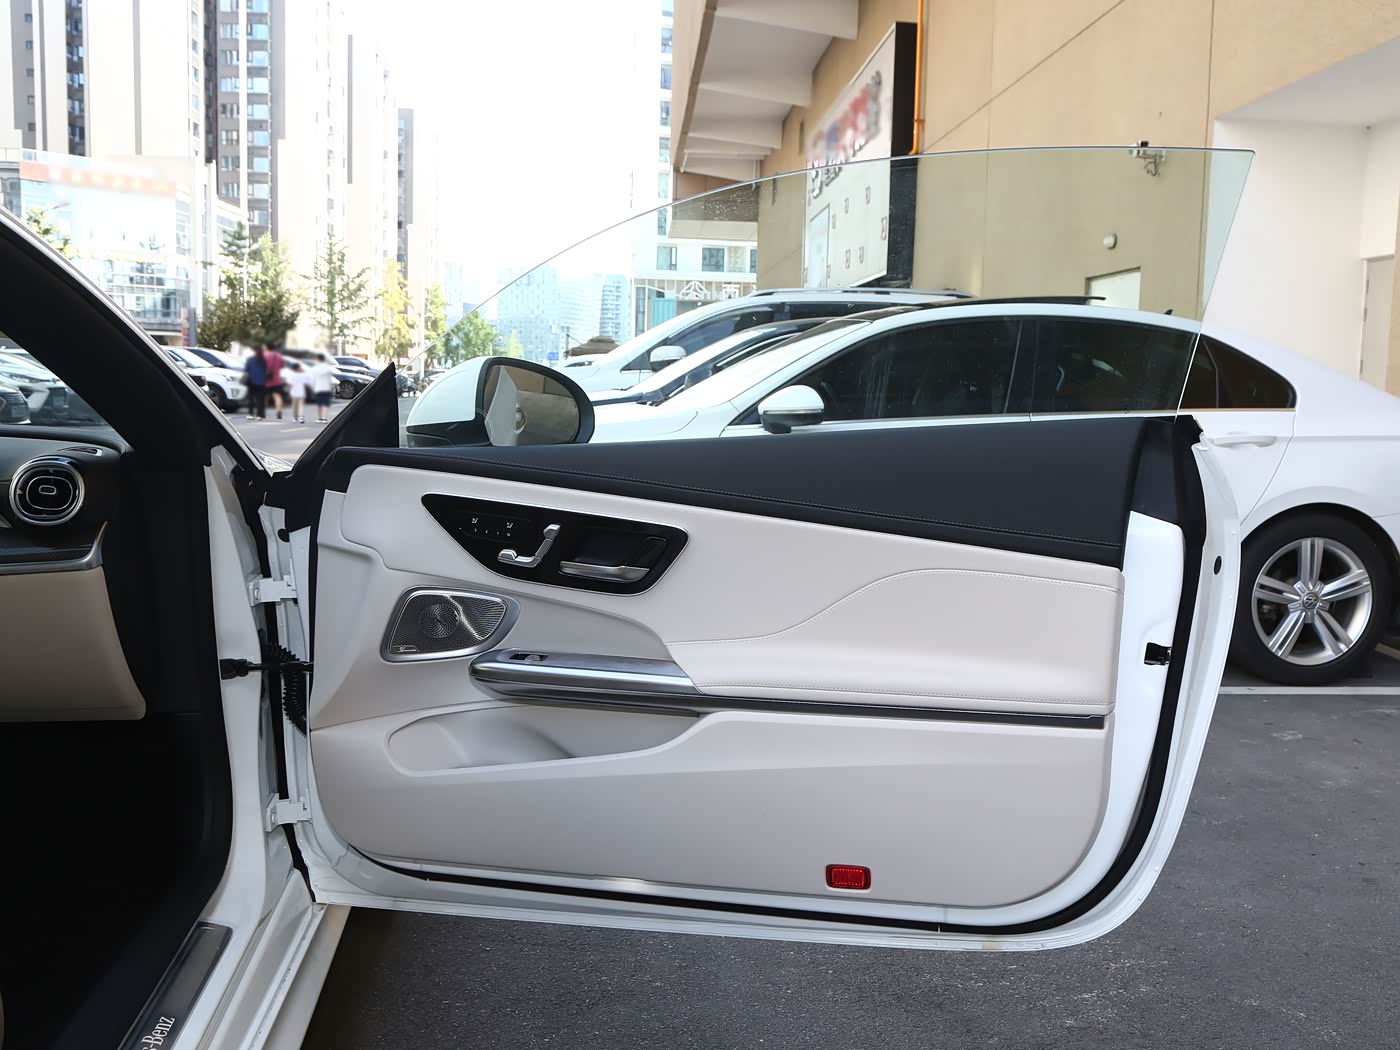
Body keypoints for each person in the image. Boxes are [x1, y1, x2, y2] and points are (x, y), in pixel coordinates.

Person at [308, 351, 335, 423]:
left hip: (318, 388)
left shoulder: (314, 368)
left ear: (317, 359)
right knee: (325, 403)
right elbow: (330, 379)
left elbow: (312, 379)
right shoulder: (328, 368)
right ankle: (324, 418)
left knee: (319, 403)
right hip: (327, 388)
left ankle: (319, 418)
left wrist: (312, 387)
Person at [243, 345, 268, 419]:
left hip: (251, 381)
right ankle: (259, 415)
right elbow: (267, 370)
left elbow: (246, 370)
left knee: (251, 398)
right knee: (260, 399)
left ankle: (250, 414)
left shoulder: (250, 359)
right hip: (262, 382)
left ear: (254, 351)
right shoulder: (264, 360)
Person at [264, 341, 286, 420]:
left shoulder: (264, 355)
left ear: (266, 347)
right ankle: (279, 412)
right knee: (277, 396)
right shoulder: (279, 356)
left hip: (265, 380)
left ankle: (262, 412)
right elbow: (282, 366)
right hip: (276, 380)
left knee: (264, 397)